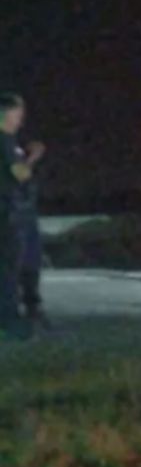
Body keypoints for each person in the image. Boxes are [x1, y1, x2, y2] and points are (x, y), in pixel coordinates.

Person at [0, 93, 33, 340]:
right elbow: (20, 174)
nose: (20, 121)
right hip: (6, 215)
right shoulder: (5, 141)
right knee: (10, 269)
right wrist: (33, 157)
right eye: (17, 115)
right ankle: (9, 321)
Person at [12, 133, 48, 329]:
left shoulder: (12, 145)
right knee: (19, 261)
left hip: (25, 212)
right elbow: (18, 175)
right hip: (14, 214)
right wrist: (32, 157)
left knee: (31, 260)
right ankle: (20, 311)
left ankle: (32, 306)